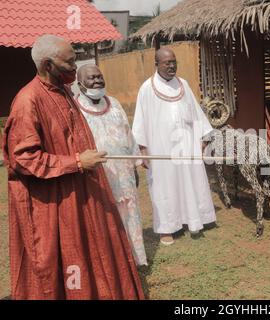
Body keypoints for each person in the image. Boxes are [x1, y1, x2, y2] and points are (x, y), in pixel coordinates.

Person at [2, 34, 144, 299]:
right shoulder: (27, 101)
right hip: (52, 201)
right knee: (63, 259)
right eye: (69, 63)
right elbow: (24, 159)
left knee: (91, 248)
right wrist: (78, 161)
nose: (74, 67)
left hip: (80, 190)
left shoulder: (65, 91)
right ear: (47, 65)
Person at [132, 47, 216, 245]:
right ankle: (167, 228)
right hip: (160, 147)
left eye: (174, 62)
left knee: (191, 181)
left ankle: (193, 219)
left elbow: (196, 111)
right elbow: (139, 122)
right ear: (157, 64)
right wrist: (143, 150)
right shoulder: (146, 88)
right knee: (164, 186)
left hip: (186, 143)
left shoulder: (183, 84)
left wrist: (203, 137)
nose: (171, 66)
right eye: (167, 63)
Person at [76, 64, 147, 266]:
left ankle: (134, 259)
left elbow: (128, 135)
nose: (97, 80)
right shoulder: (75, 110)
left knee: (130, 215)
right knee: (104, 220)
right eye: (91, 78)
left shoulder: (114, 103)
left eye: (99, 76)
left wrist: (134, 166)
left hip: (124, 176)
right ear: (80, 85)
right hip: (98, 178)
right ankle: (113, 263)